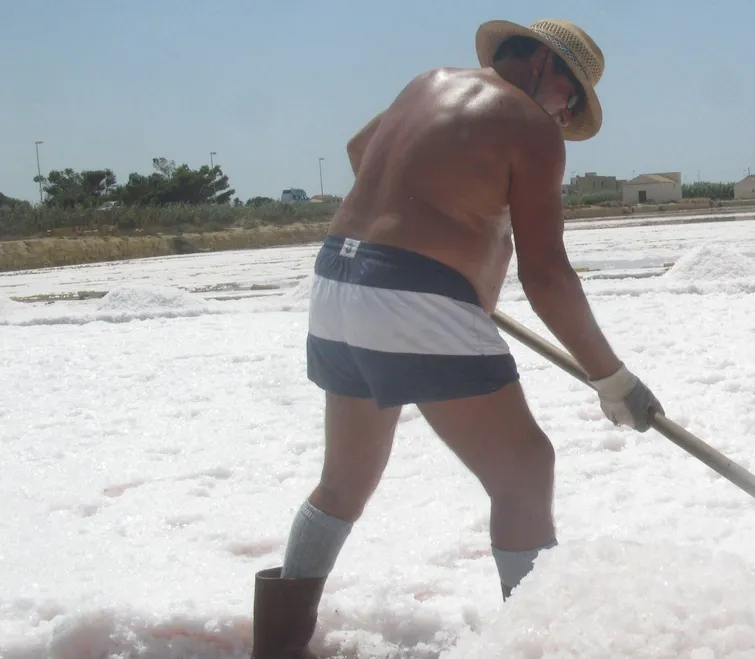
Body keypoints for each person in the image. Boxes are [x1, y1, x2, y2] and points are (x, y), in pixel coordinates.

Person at [248, 18, 665, 659]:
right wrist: (612, 379)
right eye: (572, 96)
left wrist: (444, 231)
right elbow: (547, 274)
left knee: (345, 481)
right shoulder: (530, 128)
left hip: (338, 281)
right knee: (526, 472)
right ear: (543, 67)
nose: (566, 113)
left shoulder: (427, 84)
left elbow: (364, 151)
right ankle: (533, 645)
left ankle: (277, 646)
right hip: (415, 299)